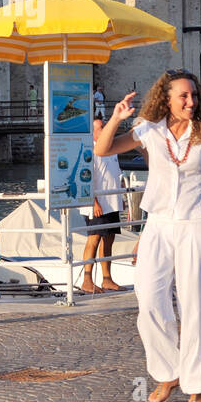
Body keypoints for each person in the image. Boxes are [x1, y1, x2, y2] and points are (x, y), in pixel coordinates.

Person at [95, 69, 201, 402]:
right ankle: (169, 372)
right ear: (165, 99)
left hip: (196, 222)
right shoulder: (149, 130)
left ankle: (198, 383)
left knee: (197, 304)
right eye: (183, 96)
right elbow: (103, 148)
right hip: (157, 224)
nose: (191, 101)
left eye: (194, 95)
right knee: (150, 300)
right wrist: (116, 117)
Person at [81, 114, 124, 293]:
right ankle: (87, 280)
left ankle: (107, 279)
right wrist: (94, 202)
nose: (104, 129)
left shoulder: (110, 148)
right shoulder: (88, 151)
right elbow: (85, 178)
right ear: (91, 133)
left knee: (109, 239)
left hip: (112, 201)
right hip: (97, 203)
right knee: (94, 239)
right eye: (100, 127)